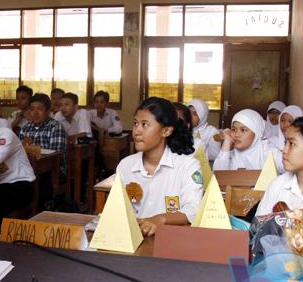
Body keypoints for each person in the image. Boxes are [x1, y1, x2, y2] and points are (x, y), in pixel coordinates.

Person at [116, 97, 203, 236]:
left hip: (172, 240)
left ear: (166, 131)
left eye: (145, 124)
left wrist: (160, 219)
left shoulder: (187, 166)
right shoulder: (125, 165)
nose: (137, 131)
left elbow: (193, 209)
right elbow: (118, 209)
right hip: (133, 238)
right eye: (135, 123)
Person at [213, 109, 283, 172]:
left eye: (243, 130)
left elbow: (290, 170)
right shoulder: (232, 154)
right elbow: (218, 176)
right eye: (234, 129)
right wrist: (227, 143)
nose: (236, 134)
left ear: (256, 132)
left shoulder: (269, 152)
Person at [20, 93, 68, 180]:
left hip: (53, 171)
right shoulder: (25, 128)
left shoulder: (55, 127)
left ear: (48, 111)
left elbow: (56, 157)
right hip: (30, 168)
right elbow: (19, 151)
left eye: (40, 109)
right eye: (32, 109)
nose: (35, 113)